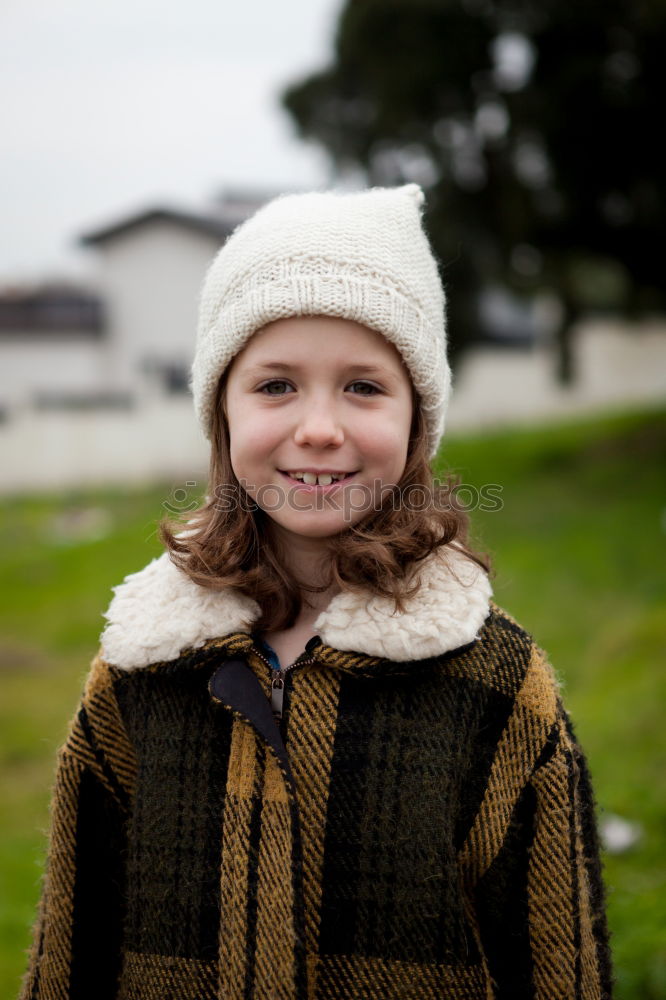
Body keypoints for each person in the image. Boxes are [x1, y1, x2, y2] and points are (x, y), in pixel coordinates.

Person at [20, 184, 613, 999]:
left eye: (364, 386)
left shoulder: (499, 687)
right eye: (275, 385)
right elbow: (70, 952)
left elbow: (559, 966)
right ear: (222, 413)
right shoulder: (141, 671)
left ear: (417, 419)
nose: (320, 427)